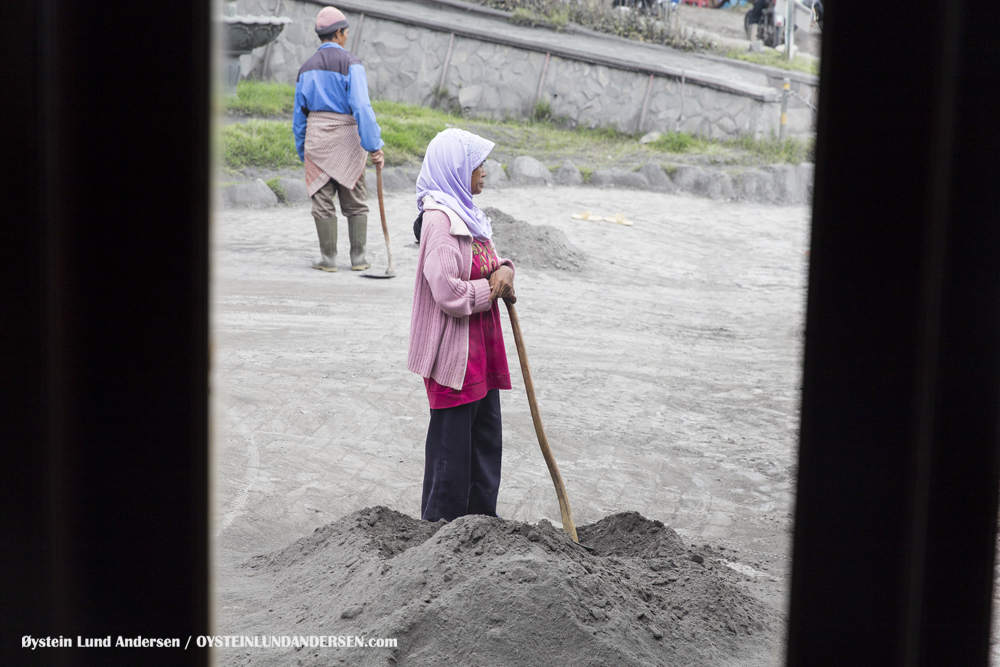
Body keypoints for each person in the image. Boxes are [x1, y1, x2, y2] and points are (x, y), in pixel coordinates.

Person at [407, 129, 517, 522]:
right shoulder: (440, 220)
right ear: (456, 167)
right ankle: (440, 539)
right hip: (455, 358)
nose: (484, 171)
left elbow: (494, 263)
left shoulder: (469, 213)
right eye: (478, 164)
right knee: (451, 456)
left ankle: (481, 530)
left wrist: (505, 270)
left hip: (482, 354)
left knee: (485, 444)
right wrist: (491, 290)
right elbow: (448, 293)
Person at [293, 6, 385, 272]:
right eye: (346, 33)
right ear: (340, 34)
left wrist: (304, 151)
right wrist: (374, 145)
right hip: (348, 141)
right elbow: (361, 107)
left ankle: (328, 259)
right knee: (355, 199)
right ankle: (359, 259)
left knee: (322, 201)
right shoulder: (352, 64)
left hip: (317, 141)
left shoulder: (305, 68)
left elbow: (299, 118)